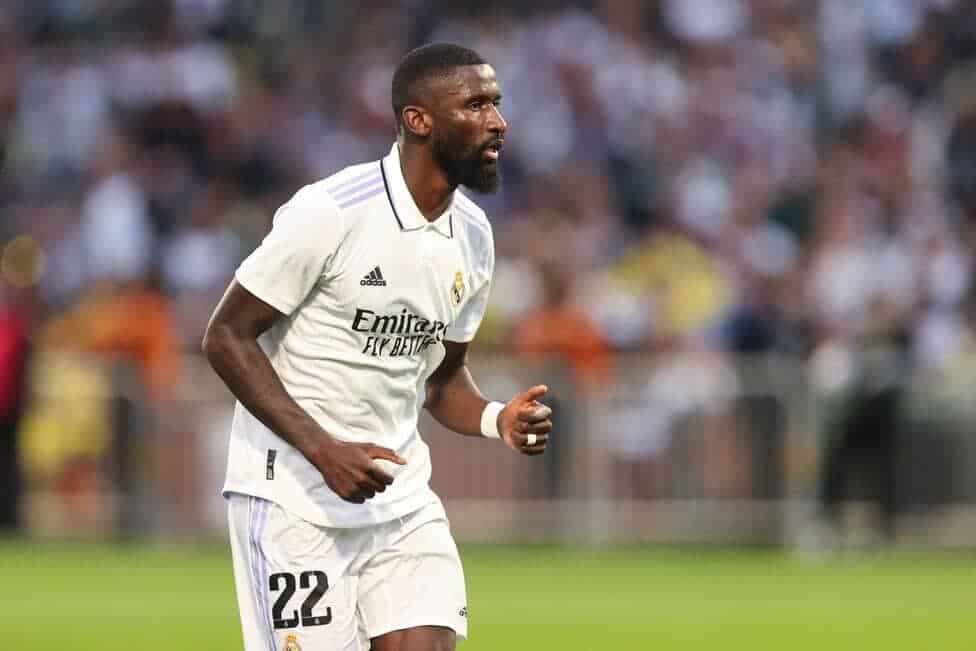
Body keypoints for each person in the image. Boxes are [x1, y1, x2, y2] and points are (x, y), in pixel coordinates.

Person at [203, 43, 553, 651]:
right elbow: (225, 336)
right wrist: (323, 450)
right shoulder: (332, 213)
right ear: (419, 120)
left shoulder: (473, 236)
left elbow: (441, 381)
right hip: (291, 500)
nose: (498, 122)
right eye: (475, 105)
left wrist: (498, 419)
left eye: (496, 104)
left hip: (400, 499)